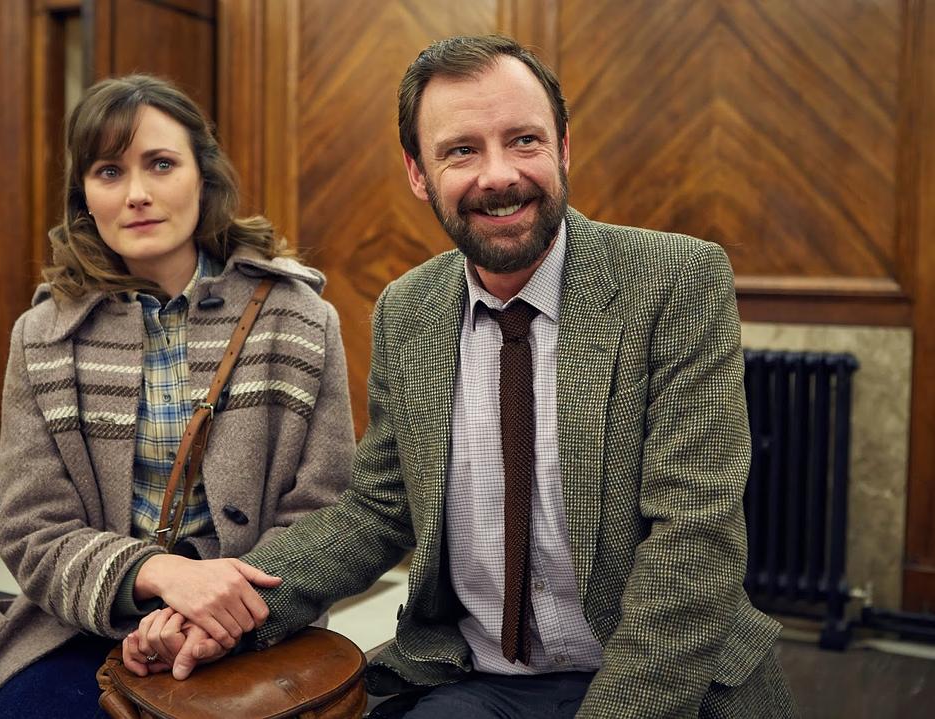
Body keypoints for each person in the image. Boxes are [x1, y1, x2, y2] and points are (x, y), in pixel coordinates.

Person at [137, 35, 800, 718]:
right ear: (418, 173)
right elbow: (377, 509)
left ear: (563, 149)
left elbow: (693, 543)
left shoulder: (677, 281)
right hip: (479, 678)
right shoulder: (408, 309)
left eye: (524, 140)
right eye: (461, 151)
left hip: (654, 678)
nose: (498, 175)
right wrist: (232, 613)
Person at [0, 74, 355, 718]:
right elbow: (32, 532)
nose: (137, 194)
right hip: (85, 622)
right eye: (109, 171)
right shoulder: (45, 336)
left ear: (203, 177)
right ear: (84, 198)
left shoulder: (298, 318)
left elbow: (326, 512)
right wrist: (160, 575)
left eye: (161, 164)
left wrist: (212, 615)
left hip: (256, 624)